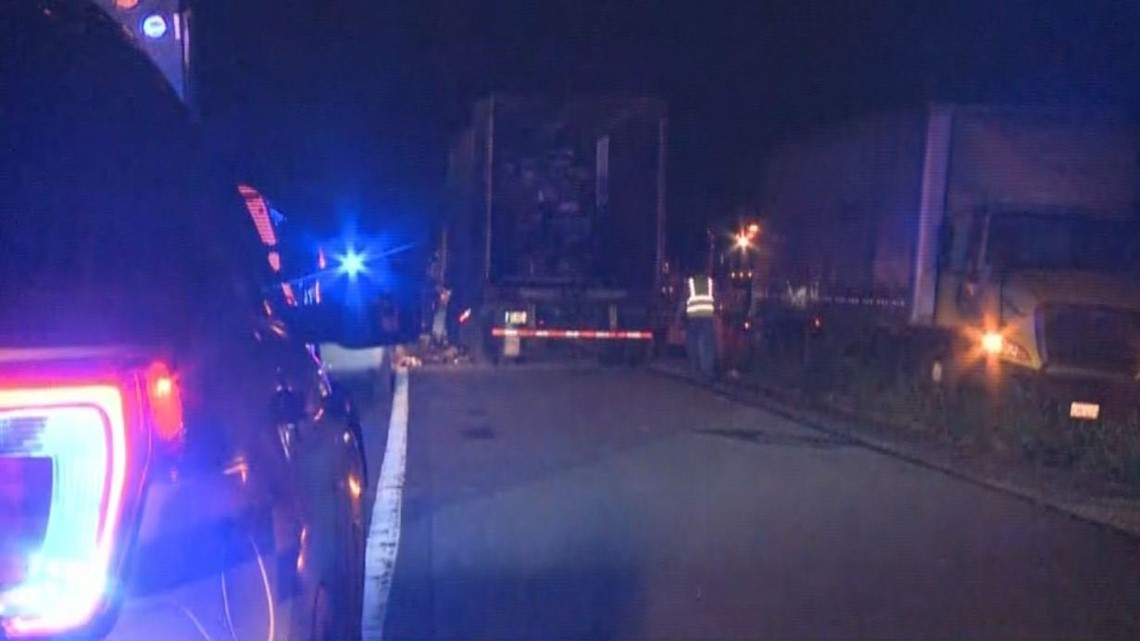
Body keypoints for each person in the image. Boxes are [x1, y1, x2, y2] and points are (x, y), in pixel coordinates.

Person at [681, 270, 718, 381]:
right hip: (707, 316)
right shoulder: (710, 282)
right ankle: (707, 371)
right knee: (707, 344)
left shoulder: (690, 282)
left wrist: (679, 317)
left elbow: (684, 300)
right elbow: (716, 298)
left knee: (692, 343)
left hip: (693, 317)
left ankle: (694, 368)